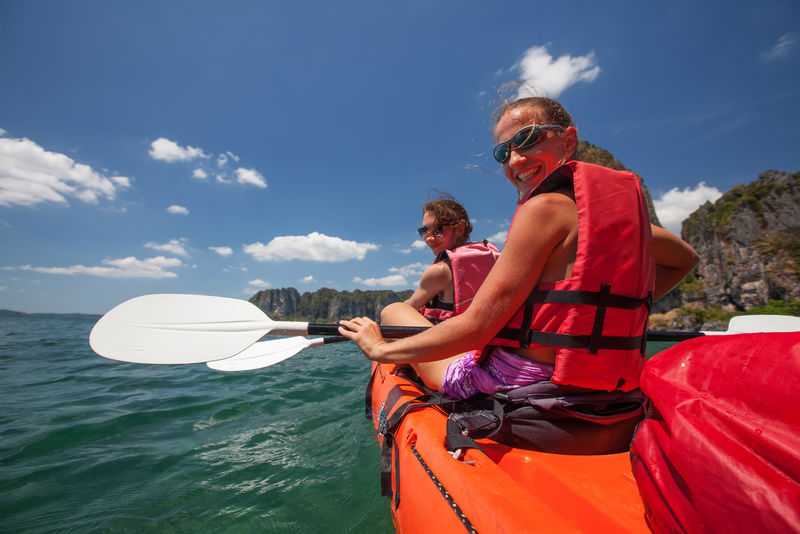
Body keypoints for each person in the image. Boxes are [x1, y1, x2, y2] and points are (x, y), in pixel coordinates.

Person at [340, 96, 699, 401]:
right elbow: (685, 260)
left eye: (528, 139)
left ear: (568, 140)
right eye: (503, 152)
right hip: (604, 387)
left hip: (516, 383)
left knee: (392, 310)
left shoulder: (543, 209)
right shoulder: (618, 223)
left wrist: (379, 349)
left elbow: (476, 328)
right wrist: (613, 316)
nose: (514, 160)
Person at [400, 197, 500, 324]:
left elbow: (408, 307)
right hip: (486, 337)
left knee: (392, 310)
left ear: (459, 229)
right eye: (425, 231)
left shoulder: (440, 271)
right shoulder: (492, 259)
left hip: (454, 341)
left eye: (437, 230)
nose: (429, 238)